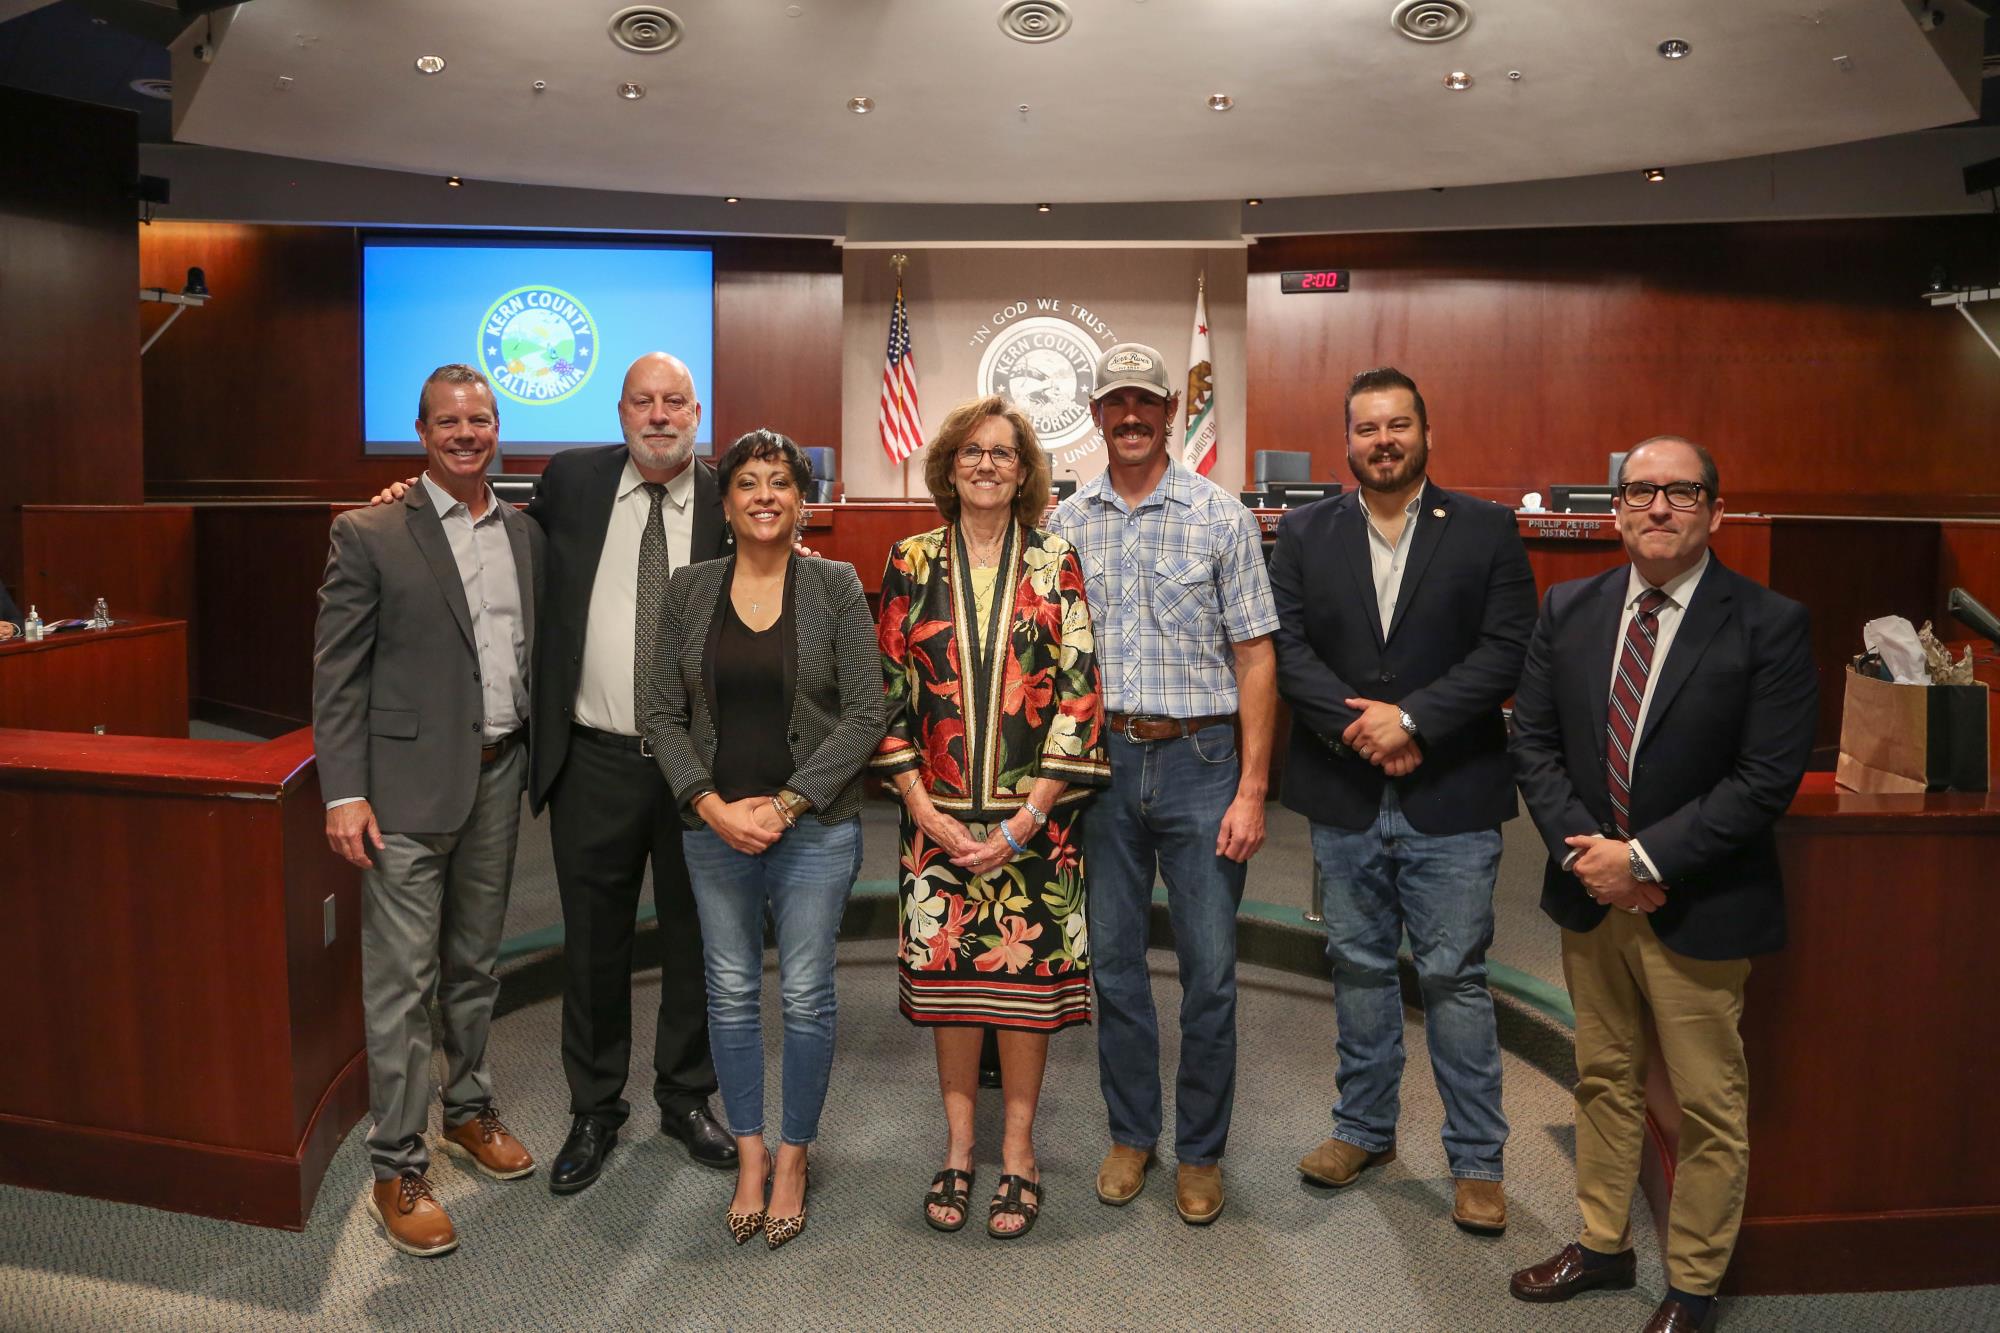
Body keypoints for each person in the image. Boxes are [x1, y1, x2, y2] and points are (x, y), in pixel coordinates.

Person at [372, 350, 737, 1192]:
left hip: (700, 772)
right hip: (595, 760)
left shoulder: (730, 496)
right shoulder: (572, 482)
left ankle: (685, 1096)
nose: (658, 415)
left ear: (697, 412)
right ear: (620, 412)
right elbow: (480, 523)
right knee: (594, 948)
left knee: (696, 941)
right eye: (642, 401)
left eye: (674, 401)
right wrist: (403, 495)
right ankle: (595, 1108)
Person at [1507, 437, 1816, 1333]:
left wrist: (1641, 861)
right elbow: (1534, 743)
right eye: (1640, 490)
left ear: (1715, 510)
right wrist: (1593, 860)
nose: (1658, 506)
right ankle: (1603, 1243)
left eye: (1681, 491)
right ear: (1616, 509)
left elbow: (1765, 779)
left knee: (1708, 1104)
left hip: (1701, 902)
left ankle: (1693, 1285)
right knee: (1603, 1076)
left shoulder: (1768, 622)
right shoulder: (1569, 607)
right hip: (1589, 896)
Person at [1268, 366, 1536, 1235]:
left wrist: (1412, 719)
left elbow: (1507, 649)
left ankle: (1477, 1161)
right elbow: (1287, 646)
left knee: (1455, 974)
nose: (1382, 441)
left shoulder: (1487, 528)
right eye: (1366, 428)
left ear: (1426, 433)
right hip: (1344, 787)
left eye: (1397, 426)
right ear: (1346, 441)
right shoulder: (1304, 531)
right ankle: (1363, 1129)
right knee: (1358, 963)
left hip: (1450, 789)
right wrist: (1365, 728)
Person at [312, 363, 544, 1257]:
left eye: (479, 419)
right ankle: (397, 1162)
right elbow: (338, 671)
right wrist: (344, 789)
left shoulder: (524, 532)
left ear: (497, 427)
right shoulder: (370, 530)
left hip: (498, 777)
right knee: (403, 982)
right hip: (403, 791)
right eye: (448, 421)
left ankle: (469, 1109)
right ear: (421, 432)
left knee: (475, 964)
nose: (465, 433)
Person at [1046, 341, 1278, 1226]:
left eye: (1147, 401)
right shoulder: (1065, 523)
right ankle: (1132, 1133)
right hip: (1101, 765)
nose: (1132, 416)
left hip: (1202, 762)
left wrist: (1253, 787)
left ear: (1172, 412)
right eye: (1117, 403)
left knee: (1209, 971)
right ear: (1097, 416)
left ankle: (1201, 1151)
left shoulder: (1222, 517)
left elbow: (1256, 658)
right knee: (1113, 964)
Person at [640, 429, 885, 1250]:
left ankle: (794, 1156)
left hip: (814, 829)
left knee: (807, 995)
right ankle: (750, 1153)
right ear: (726, 502)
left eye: (780, 481)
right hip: (713, 830)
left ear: (802, 500)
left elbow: (866, 713)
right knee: (731, 992)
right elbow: (661, 713)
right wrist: (710, 805)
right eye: (748, 482)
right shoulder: (688, 589)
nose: (765, 496)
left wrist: (785, 804)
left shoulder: (835, 584)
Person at [872, 395, 1109, 1239]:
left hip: (1035, 828)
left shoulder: (1055, 559)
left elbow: (1079, 693)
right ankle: (959, 1147)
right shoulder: (910, 559)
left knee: (1024, 995)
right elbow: (885, 693)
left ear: (1024, 470)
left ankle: (1018, 1152)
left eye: (1002, 453)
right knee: (953, 990)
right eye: (971, 451)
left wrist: (1027, 818)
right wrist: (920, 807)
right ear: (949, 465)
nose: (986, 465)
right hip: (935, 824)